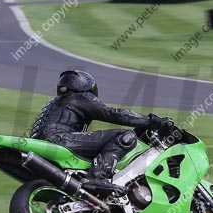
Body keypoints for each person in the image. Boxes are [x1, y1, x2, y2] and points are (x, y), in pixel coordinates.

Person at [30, 70, 169, 194]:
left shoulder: (56, 103)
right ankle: (96, 177)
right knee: (125, 136)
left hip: (44, 143)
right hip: (59, 140)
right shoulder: (80, 97)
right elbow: (113, 114)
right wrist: (152, 121)